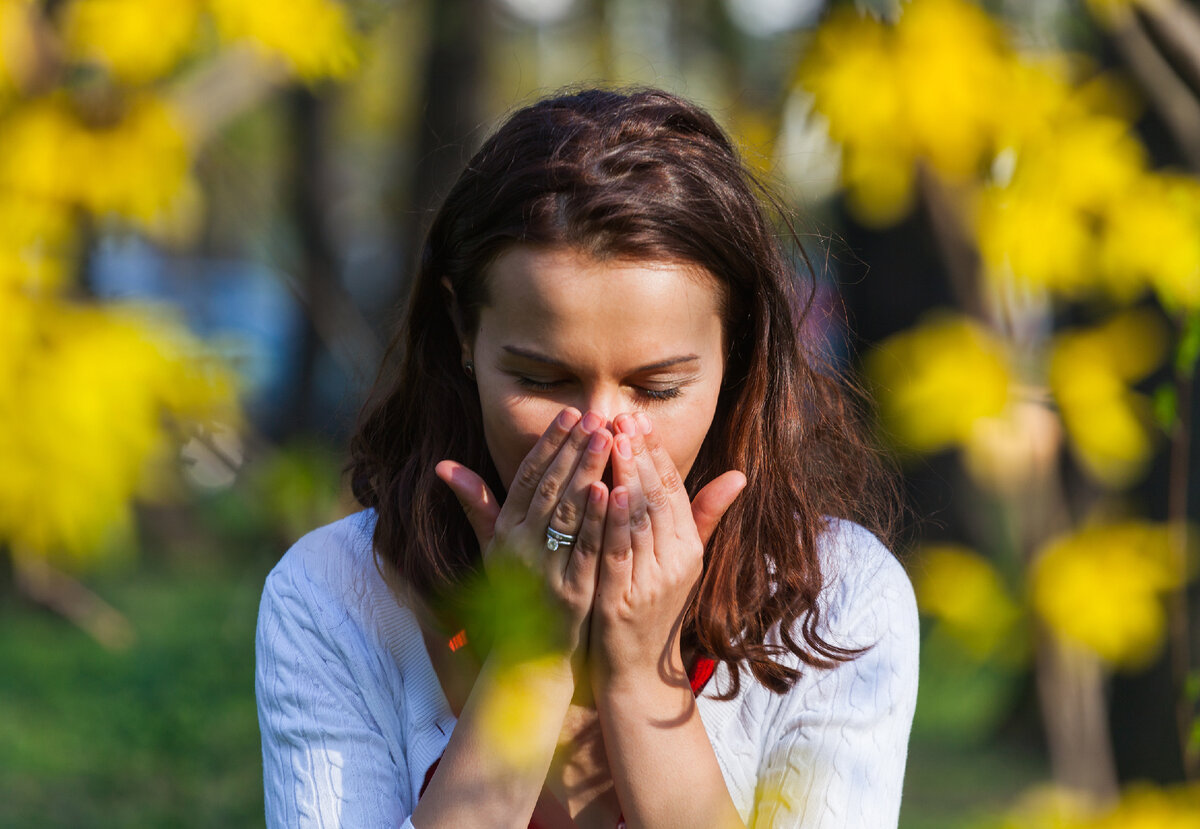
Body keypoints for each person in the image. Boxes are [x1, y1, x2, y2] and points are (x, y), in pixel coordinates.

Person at [256, 87, 919, 828]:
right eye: (542, 380)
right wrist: (527, 665)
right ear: (462, 335)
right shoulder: (337, 597)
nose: (602, 433)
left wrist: (645, 679)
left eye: (658, 387)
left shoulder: (835, 598)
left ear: (734, 356)